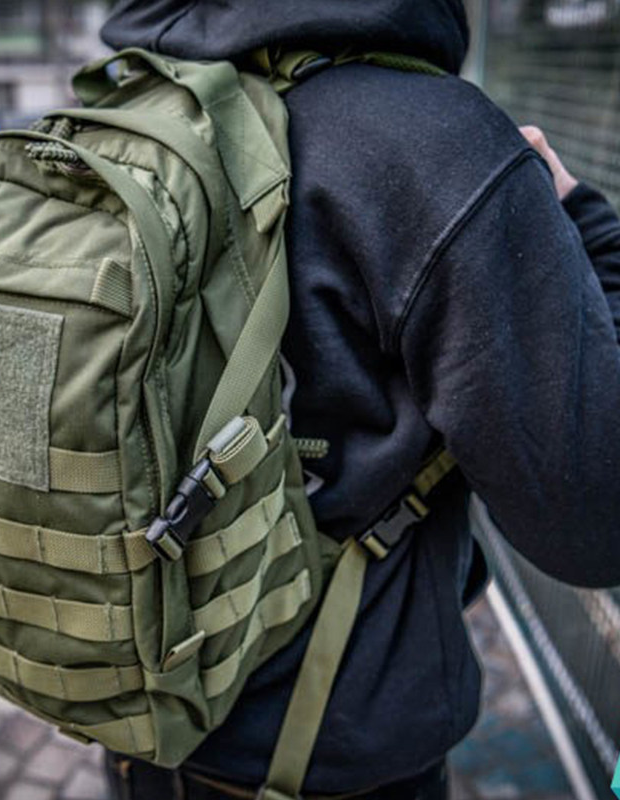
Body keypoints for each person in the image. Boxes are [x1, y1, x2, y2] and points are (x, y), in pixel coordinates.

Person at [97, 1, 620, 797]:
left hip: (133, 717)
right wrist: (590, 227)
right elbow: (594, 527)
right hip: (332, 751)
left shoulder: (126, 108)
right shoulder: (440, 142)